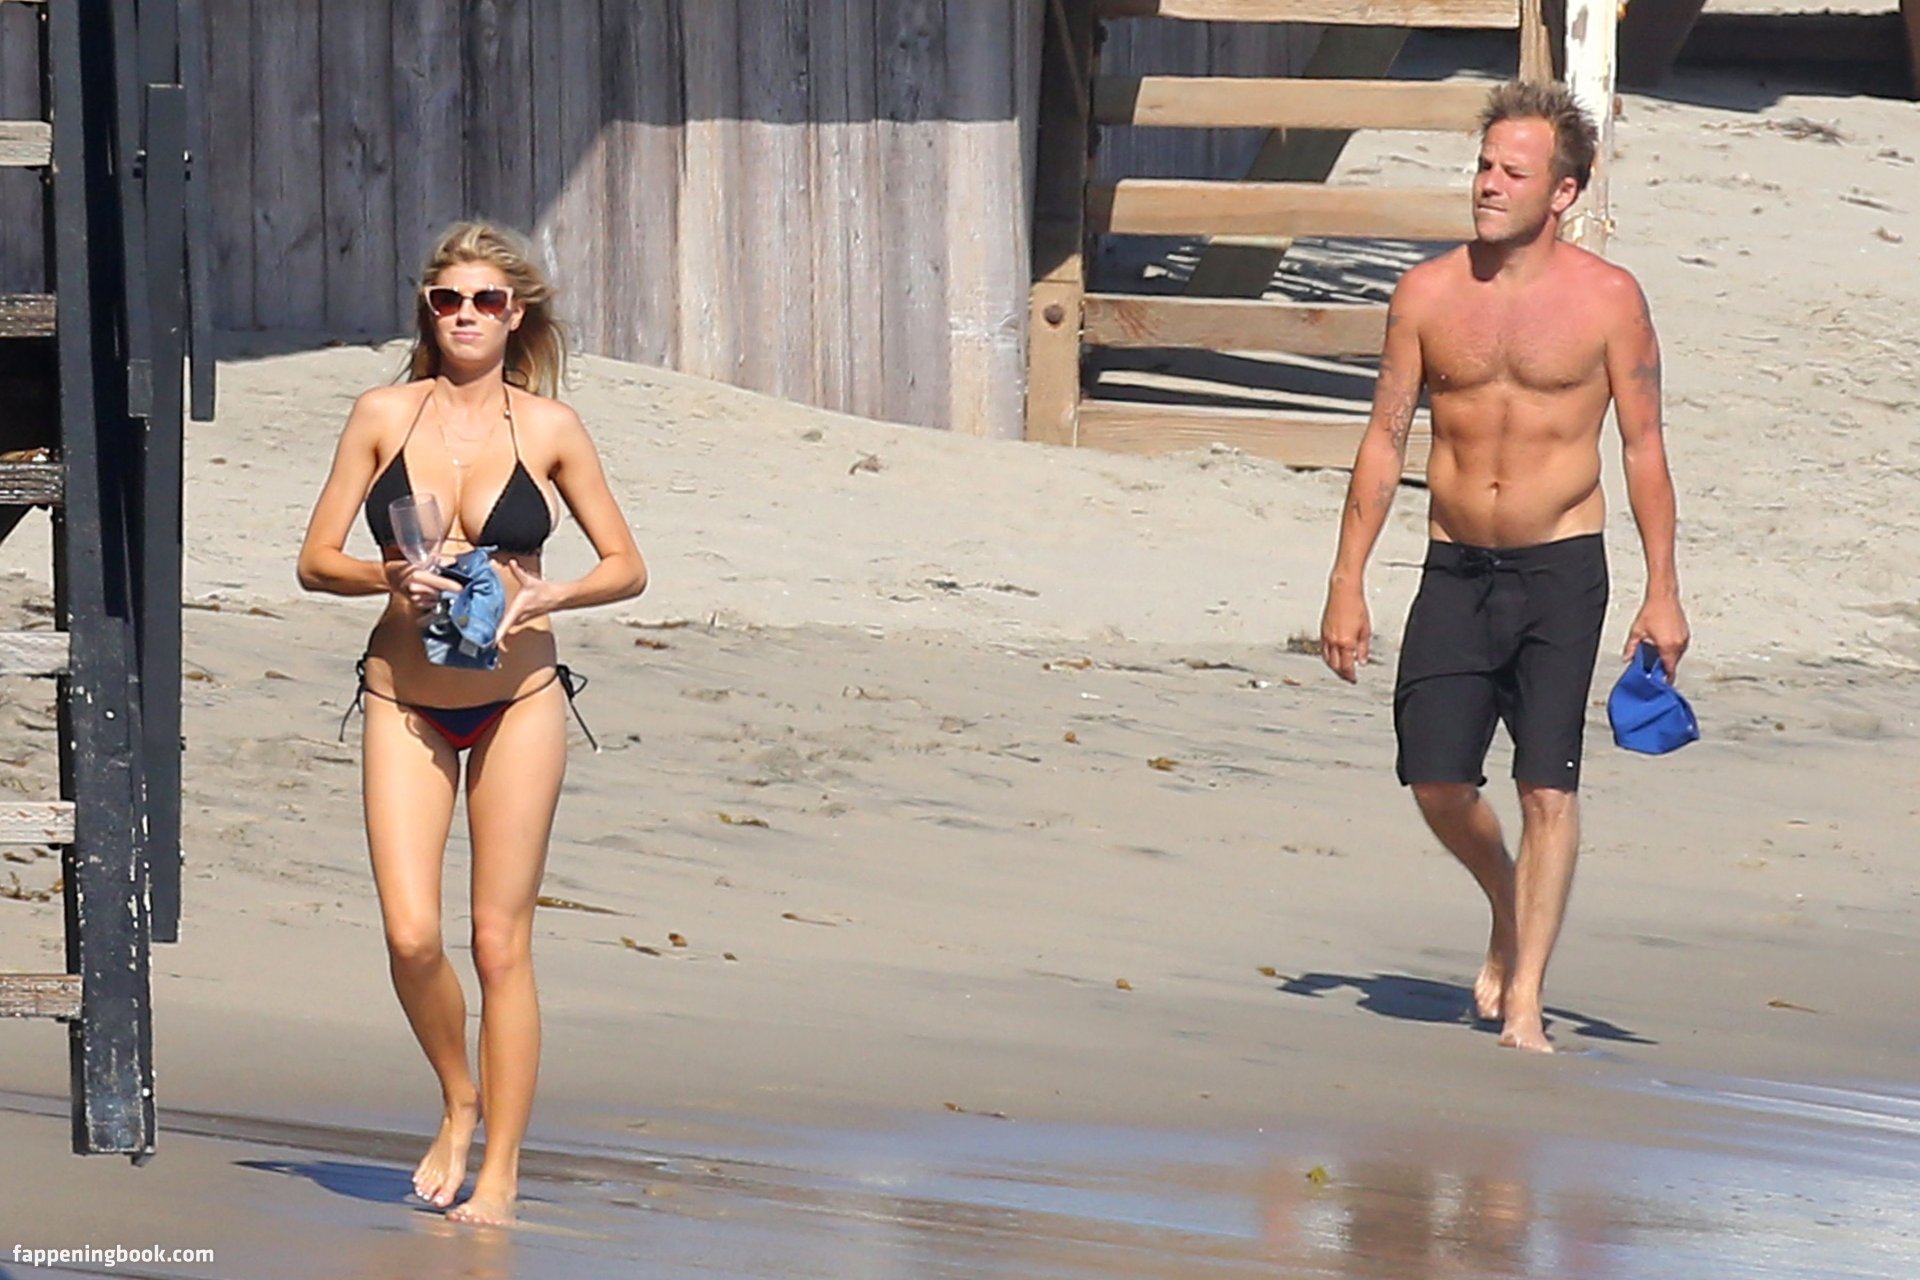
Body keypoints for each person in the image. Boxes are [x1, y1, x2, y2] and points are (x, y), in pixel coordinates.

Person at [1317, 82, 1687, 1053]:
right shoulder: (1427, 294)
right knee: (1436, 779)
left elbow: (1643, 447)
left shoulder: (1609, 301)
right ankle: (1506, 899)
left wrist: (1662, 591)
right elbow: (1384, 438)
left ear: (1563, 192)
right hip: (1455, 565)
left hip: (1562, 569)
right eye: (1483, 166)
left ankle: (1525, 1000)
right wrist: (1347, 581)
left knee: (1546, 787)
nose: (1487, 184)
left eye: (1511, 172)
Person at [297, 222, 647, 1221]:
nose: (465, 316)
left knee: (500, 943)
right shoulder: (382, 414)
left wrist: (554, 594)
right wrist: (387, 576)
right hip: (404, 695)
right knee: (412, 936)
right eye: (448, 299)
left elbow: (628, 565)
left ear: (515, 314)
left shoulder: (551, 428)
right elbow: (315, 558)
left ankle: (500, 1172)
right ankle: (460, 1097)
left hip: (518, 698)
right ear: (429, 309)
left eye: (486, 301)